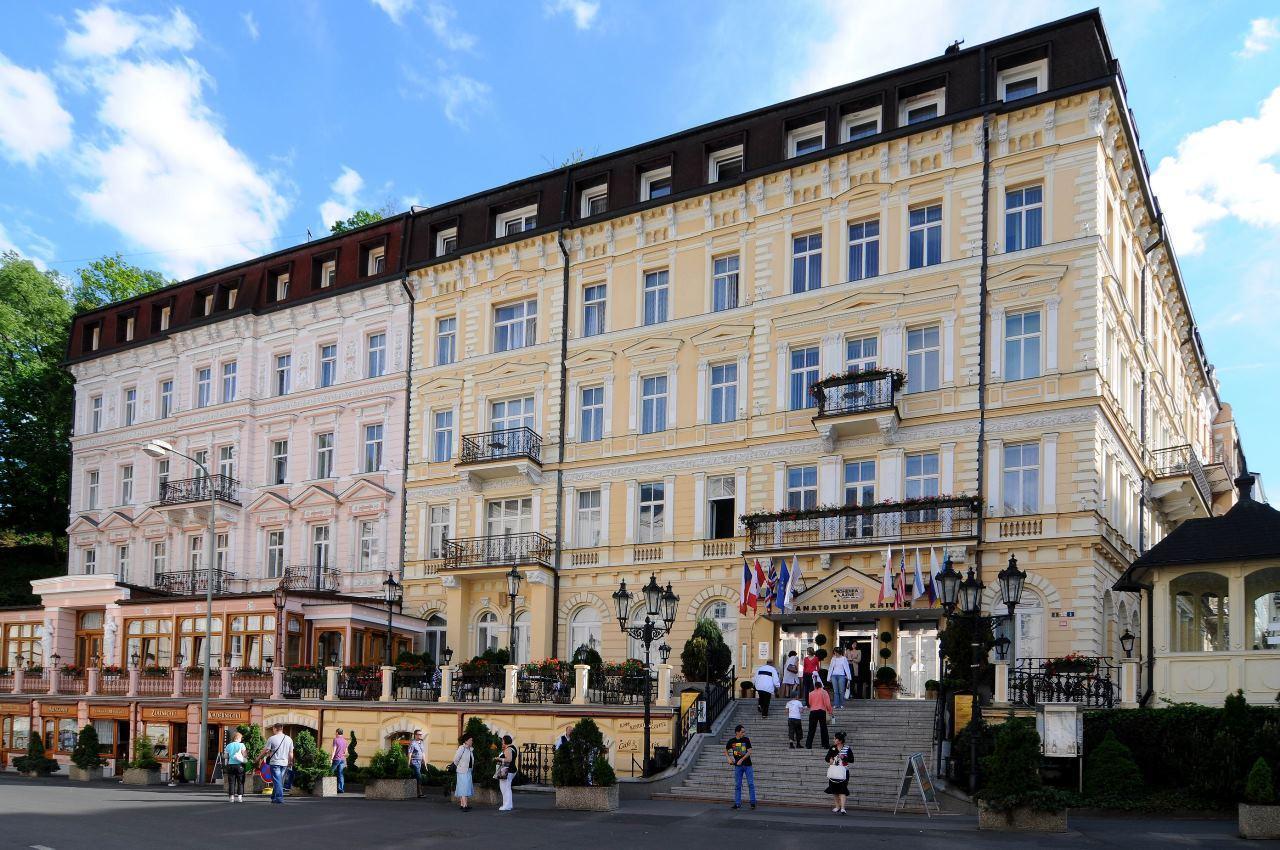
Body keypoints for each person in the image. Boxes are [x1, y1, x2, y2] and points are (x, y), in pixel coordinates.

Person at [724, 724, 755, 810]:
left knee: (750, 784)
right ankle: (737, 804)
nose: (744, 733)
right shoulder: (732, 741)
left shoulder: (746, 740)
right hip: (738, 767)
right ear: (737, 732)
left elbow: (749, 752)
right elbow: (726, 750)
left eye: (744, 732)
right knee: (737, 785)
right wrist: (728, 758)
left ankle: (753, 802)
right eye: (742, 732)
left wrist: (742, 759)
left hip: (748, 765)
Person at [262, 724, 294, 805]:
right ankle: (274, 797)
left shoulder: (272, 738)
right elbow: (291, 752)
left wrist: (258, 758)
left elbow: (266, 751)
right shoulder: (289, 739)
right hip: (285, 763)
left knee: (277, 781)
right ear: (282, 728)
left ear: (275, 729)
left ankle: (279, 798)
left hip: (275, 763)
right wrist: (290, 761)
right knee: (279, 781)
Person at [824, 732, 853, 815]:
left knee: (842, 789)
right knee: (835, 790)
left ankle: (843, 808)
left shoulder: (847, 748)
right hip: (834, 772)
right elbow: (826, 758)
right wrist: (830, 759)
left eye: (835, 738)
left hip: (843, 772)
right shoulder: (832, 748)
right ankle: (837, 807)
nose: (834, 740)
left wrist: (844, 757)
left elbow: (852, 759)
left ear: (839, 740)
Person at [806, 681, 832, 749]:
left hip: (813, 711)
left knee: (811, 729)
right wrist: (830, 711)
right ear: (821, 686)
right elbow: (827, 703)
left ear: (815, 686)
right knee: (823, 728)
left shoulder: (811, 693)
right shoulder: (824, 692)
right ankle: (825, 744)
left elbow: (810, 703)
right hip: (821, 711)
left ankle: (808, 745)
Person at [453, 733, 475, 811]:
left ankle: (463, 804)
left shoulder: (470, 749)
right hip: (462, 771)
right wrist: (458, 766)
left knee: (465, 787)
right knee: (464, 788)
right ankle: (465, 805)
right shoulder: (461, 748)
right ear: (466, 741)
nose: (472, 741)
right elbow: (456, 759)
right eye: (470, 740)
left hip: (468, 771)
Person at [223, 731, 247, 803]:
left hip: (231, 765)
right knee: (240, 781)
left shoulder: (228, 745)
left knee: (231, 782)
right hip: (239, 765)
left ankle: (231, 798)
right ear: (238, 738)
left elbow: (225, 756)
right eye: (241, 738)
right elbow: (245, 755)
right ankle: (240, 797)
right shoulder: (242, 745)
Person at [497, 734, 517, 812]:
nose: (502, 742)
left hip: (507, 770)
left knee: (505, 788)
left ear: (505, 741)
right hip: (510, 770)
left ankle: (506, 805)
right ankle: (508, 804)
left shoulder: (508, 749)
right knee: (507, 788)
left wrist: (498, 758)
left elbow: (508, 759)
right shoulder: (513, 747)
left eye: (502, 740)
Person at [408, 729, 426, 798]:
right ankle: (419, 793)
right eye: (419, 734)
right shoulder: (413, 743)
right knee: (419, 777)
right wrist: (408, 763)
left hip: (420, 762)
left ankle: (416, 792)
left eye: (421, 734)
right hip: (414, 762)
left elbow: (423, 753)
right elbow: (410, 753)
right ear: (415, 735)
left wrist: (425, 763)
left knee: (417, 777)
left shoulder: (421, 743)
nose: (421, 735)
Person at [330, 728, 348, 794]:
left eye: (335, 732)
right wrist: (342, 755)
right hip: (342, 759)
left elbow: (334, 750)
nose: (335, 733)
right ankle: (341, 789)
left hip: (336, 759)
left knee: (330, 772)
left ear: (337, 732)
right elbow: (346, 752)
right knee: (341, 774)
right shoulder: (345, 741)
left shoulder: (335, 740)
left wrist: (331, 759)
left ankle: (329, 787)